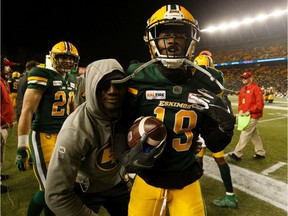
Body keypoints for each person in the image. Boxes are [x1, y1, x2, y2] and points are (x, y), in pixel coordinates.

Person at [113, 4, 236, 216]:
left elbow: (214, 142)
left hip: (186, 178)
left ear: (191, 40)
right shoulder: (138, 76)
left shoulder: (206, 80)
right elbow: (121, 124)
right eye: (165, 35)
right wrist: (124, 156)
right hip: (148, 178)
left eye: (178, 35)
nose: (171, 41)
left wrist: (226, 128)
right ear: (153, 40)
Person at [45, 59, 130, 216]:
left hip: (116, 182)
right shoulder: (75, 130)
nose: (112, 90)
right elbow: (56, 195)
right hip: (85, 187)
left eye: (119, 84)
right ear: (91, 87)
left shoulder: (129, 112)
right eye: (104, 85)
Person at [16, 41, 79, 216]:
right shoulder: (42, 74)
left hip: (63, 136)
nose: (67, 61)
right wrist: (22, 147)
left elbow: (72, 111)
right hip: (44, 136)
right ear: (53, 58)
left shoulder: (72, 79)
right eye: (63, 57)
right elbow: (27, 111)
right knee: (49, 189)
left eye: (70, 58)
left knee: (62, 186)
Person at [194, 52, 238, 208]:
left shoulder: (201, 81)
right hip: (211, 128)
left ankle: (229, 196)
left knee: (202, 158)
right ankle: (229, 196)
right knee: (205, 159)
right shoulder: (216, 80)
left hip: (209, 128)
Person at [229, 71, 265, 161]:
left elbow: (260, 104)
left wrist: (250, 111)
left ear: (250, 78)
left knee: (245, 133)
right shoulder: (243, 89)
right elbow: (240, 101)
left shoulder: (256, 88)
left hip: (253, 115)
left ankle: (237, 153)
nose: (243, 80)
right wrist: (240, 110)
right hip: (245, 115)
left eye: (245, 78)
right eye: (242, 78)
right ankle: (260, 152)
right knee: (254, 135)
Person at [0, 57, 16, 194]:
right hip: (0, 125)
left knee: (1, 154)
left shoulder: (4, 82)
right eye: (6, 66)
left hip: (3, 125)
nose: (9, 69)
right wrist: (4, 121)